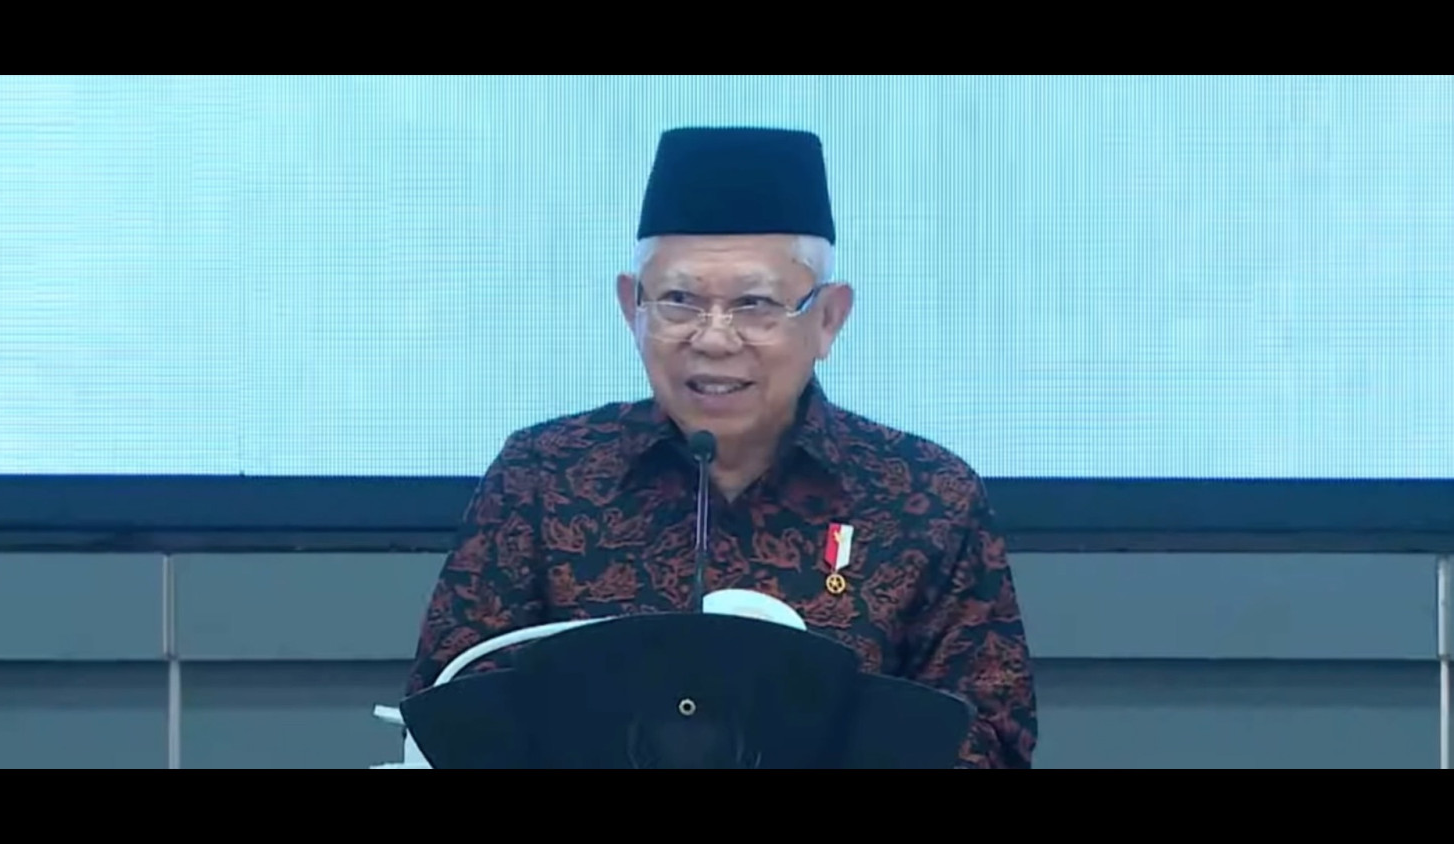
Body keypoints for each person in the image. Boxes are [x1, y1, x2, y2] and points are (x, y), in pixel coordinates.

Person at [406, 126, 1038, 768]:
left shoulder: (925, 496)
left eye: (754, 305)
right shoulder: (545, 475)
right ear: (631, 308)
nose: (713, 339)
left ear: (828, 319)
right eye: (679, 302)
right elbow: (450, 710)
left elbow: (988, 739)